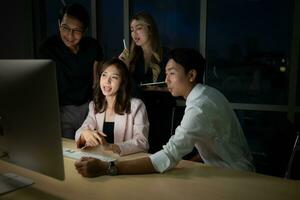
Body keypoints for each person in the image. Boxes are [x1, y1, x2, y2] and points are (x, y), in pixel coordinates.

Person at [74, 48, 255, 177]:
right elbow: (216, 140)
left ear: (191, 75)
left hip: (234, 176)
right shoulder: (208, 94)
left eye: (171, 73)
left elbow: (168, 155)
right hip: (223, 169)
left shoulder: (199, 107)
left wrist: (107, 168)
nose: (166, 80)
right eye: (104, 75)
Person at [39, 3, 103, 139]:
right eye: (65, 28)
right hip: (61, 110)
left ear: (85, 30)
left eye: (77, 30)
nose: (70, 35)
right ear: (59, 23)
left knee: (90, 149)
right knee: (67, 151)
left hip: (89, 109)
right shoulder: (48, 48)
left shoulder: (92, 46)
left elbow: (97, 79)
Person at [75, 58, 149, 156]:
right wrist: (85, 134)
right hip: (102, 159)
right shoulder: (95, 105)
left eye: (114, 77)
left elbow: (142, 142)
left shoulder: (137, 106)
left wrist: (112, 147)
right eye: (104, 75)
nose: (107, 81)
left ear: (122, 82)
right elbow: (80, 132)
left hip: (125, 161)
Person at [119, 12, 169, 88]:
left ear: (150, 30)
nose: (134, 33)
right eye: (132, 30)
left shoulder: (166, 55)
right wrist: (123, 67)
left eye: (139, 28)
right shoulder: (131, 58)